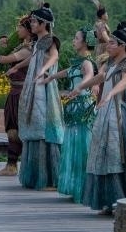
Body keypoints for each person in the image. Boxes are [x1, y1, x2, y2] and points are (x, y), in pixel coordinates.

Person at [64, 22, 126, 215]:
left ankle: (123, 200)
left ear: (123, 46)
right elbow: (101, 77)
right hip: (105, 112)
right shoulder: (110, 62)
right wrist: (80, 87)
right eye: (109, 42)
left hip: (119, 114)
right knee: (103, 155)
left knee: (116, 155)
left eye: (112, 43)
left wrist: (111, 93)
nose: (108, 45)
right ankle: (108, 201)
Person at [40, 28, 97, 202]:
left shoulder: (87, 62)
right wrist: (51, 77)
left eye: (76, 38)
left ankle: (85, 187)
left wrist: (79, 88)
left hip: (83, 106)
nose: (73, 40)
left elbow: (90, 75)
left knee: (83, 145)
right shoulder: (77, 62)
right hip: (74, 107)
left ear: (85, 42)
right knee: (73, 144)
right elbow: (67, 72)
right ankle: (76, 186)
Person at [15, 3, 65, 190]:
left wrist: (44, 70)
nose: (32, 24)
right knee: (34, 122)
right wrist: (17, 66)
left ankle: (50, 177)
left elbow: (54, 57)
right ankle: (36, 175)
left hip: (44, 87)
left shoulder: (50, 40)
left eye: (35, 22)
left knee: (43, 124)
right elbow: (33, 57)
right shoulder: (38, 42)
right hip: (34, 86)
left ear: (44, 24)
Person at [0, 15, 34, 176]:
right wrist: (4, 44)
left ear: (28, 30)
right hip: (15, 91)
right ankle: (11, 164)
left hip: (21, 93)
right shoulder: (22, 47)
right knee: (12, 129)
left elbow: (3, 59)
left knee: (17, 129)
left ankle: (15, 164)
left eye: (20, 27)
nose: (17, 30)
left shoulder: (28, 50)